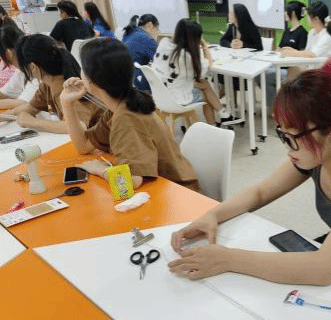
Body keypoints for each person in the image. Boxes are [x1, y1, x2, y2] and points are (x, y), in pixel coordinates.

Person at [169, 58, 331, 285]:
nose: (287, 148)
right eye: (282, 135)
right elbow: (260, 192)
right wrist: (212, 215)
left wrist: (227, 259)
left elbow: (324, 269)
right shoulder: (319, 155)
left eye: (293, 137)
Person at [61, 38, 201, 192]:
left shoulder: (126, 118)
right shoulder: (122, 104)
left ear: (91, 79)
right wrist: (66, 103)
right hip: (166, 188)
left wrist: (99, 169)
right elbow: (84, 145)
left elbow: (130, 183)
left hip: (178, 193)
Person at [13, 34, 102, 133]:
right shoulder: (47, 84)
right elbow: (32, 108)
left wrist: (33, 122)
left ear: (33, 67)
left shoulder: (65, 86)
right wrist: (8, 114)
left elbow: (80, 126)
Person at [152, 18, 226, 126]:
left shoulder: (164, 43)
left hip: (160, 94)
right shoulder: (187, 57)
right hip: (175, 98)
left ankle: (223, 114)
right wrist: (204, 47)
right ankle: (217, 121)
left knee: (204, 84)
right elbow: (207, 67)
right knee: (205, 93)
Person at [0, 24, 39, 110]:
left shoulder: (37, 69)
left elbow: (22, 103)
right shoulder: (22, 70)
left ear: (8, 53)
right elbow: (5, 94)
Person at [122, 14, 159, 91]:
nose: (157, 32)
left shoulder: (129, 33)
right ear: (150, 25)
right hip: (137, 82)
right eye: (157, 29)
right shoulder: (147, 39)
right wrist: (155, 40)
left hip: (125, 78)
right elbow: (160, 60)